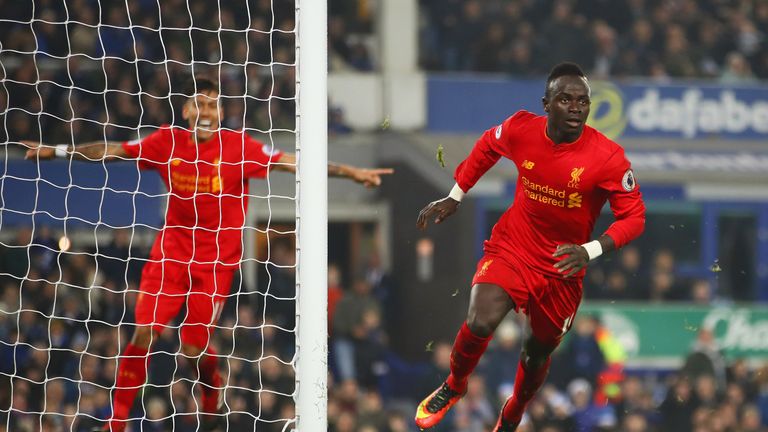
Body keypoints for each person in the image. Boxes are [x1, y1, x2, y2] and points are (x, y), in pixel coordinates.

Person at [23, 76, 393, 432]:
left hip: (215, 264)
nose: (207, 112)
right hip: (171, 254)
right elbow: (113, 151)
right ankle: (116, 422)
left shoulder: (239, 147)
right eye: (199, 104)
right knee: (144, 332)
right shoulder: (165, 143)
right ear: (185, 111)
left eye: (214, 105)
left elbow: (290, 162)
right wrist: (55, 151)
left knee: (192, 347)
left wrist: (350, 172)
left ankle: (212, 398)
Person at [413, 62, 645, 431]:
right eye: (565, 99)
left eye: (582, 101)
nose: (575, 108)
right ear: (546, 103)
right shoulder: (522, 128)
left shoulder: (608, 158)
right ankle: (454, 385)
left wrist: (590, 250)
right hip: (515, 246)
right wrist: (456, 194)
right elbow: (488, 145)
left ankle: (514, 410)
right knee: (480, 318)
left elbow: (634, 217)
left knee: (535, 352)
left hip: (564, 266)